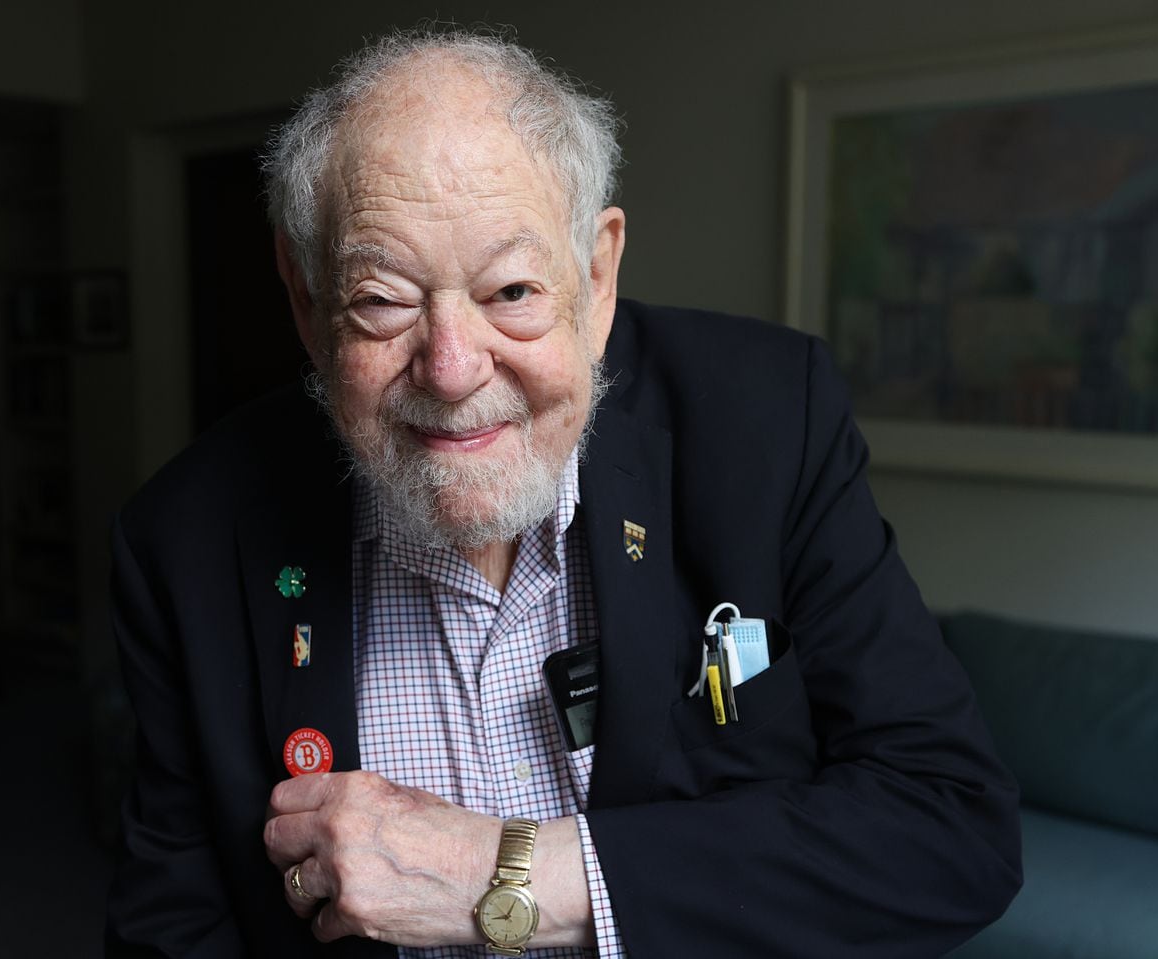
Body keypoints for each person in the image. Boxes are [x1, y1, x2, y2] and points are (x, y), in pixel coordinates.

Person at [105, 27, 1021, 959]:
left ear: (596, 272)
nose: (454, 370)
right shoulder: (186, 536)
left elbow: (950, 827)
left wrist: (509, 874)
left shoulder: (766, 423)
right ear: (305, 299)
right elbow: (173, 928)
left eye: (510, 289)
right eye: (382, 300)